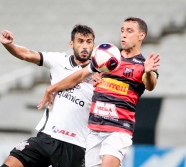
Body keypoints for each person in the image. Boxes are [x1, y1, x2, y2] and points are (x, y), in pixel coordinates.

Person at [38, 17, 161, 167]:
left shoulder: (143, 65)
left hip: (118, 128)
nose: (123, 34)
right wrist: (52, 88)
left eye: (130, 31)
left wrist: (148, 72)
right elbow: (80, 76)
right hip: (94, 128)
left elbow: (150, 85)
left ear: (141, 36)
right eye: (122, 30)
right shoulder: (106, 58)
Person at [0, 24, 96, 167]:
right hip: (47, 137)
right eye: (80, 41)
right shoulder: (59, 60)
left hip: (75, 145)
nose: (85, 46)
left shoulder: (99, 74)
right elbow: (27, 54)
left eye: (89, 42)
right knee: (11, 162)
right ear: (71, 44)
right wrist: (9, 45)